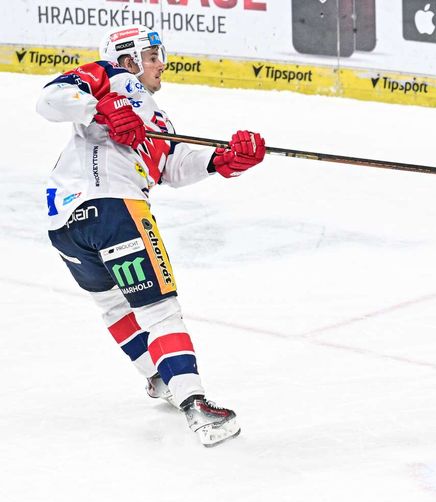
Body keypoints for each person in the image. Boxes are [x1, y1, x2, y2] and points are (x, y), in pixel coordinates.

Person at [37, 25, 266, 446]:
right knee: (160, 310)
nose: (162, 64)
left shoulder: (155, 117)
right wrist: (99, 107)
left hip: (66, 226)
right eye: (153, 55)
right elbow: (49, 99)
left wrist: (224, 160)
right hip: (115, 209)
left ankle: (160, 378)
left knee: (113, 305)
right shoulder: (105, 75)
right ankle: (196, 405)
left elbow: (171, 165)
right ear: (128, 58)